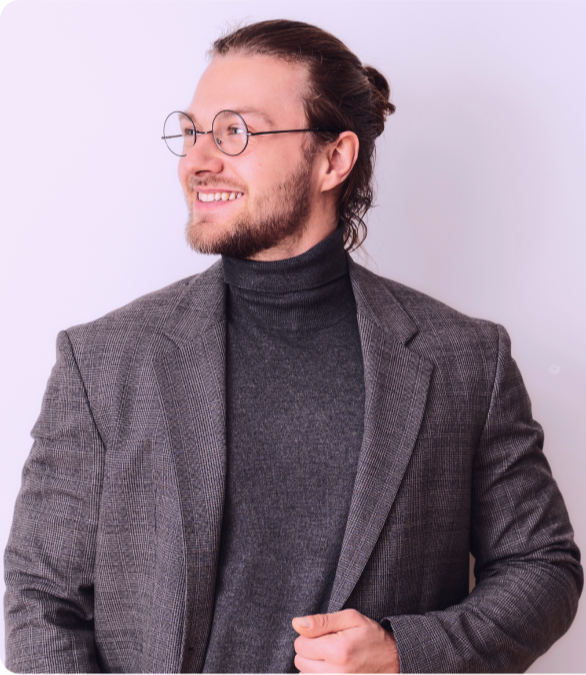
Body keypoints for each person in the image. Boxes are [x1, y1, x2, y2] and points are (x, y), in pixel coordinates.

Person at [3, 18, 582, 675]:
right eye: (192, 132)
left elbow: (544, 565)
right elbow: (41, 596)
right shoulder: (103, 360)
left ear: (333, 159)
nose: (197, 160)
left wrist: (402, 653)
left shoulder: (464, 359)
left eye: (235, 132)